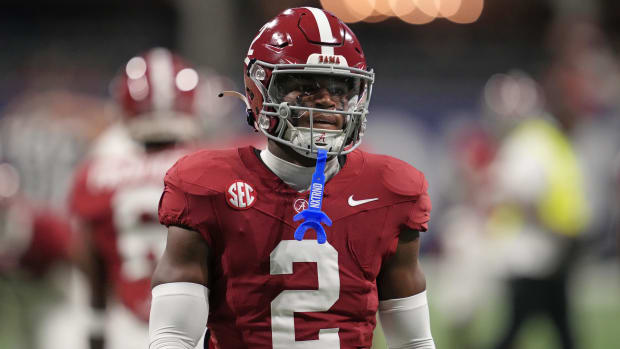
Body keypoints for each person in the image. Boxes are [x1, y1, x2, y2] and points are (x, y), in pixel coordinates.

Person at [150, 7, 435, 349]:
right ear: (260, 90)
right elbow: (173, 337)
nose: (328, 101)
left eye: (341, 88)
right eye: (306, 86)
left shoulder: (389, 189)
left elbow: (414, 341)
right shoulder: (209, 185)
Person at [69, 48, 208, 349]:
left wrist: (94, 330)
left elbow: (89, 257)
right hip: (200, 322)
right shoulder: (211, 167)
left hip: (130, 329)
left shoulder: (95, 174)